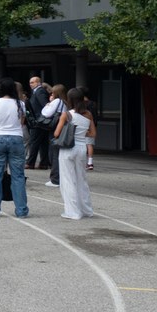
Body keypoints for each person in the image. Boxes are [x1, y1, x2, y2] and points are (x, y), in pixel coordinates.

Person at [0, 78, 29, 217]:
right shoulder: (20, 104)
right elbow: (21, 122)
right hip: (16, 138)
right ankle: (21, 210)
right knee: (18, 175)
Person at [54, 88, 97, 219]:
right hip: (81, 148)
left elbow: (56, 133)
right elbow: (93, 133)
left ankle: (73, 212)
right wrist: (81, 133)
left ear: (69, 100)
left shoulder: (66, 115)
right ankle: (86, 210)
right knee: (81, 179)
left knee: (68, 180)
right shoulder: (88, 114)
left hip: (67, 149)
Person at [40, 83, 67, 188]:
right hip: (62, 128)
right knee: (59, 153)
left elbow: (46, 113)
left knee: (54, 154)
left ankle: (55, 179)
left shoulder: (56, 101)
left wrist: (48, 105)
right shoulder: (65, 102)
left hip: (54, 128)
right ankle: (60, 178)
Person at [25, 75, 51, 170]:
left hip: (39, 121)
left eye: (32, 82)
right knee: (43, 143)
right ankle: (44, 163)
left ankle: (30, 163)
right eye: (30, 83)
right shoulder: (36, 92)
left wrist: (40, 118)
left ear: (38, 83)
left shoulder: (39, 91)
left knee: (34, 142)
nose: (30, 84)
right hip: (41, 121)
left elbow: (45, 105)